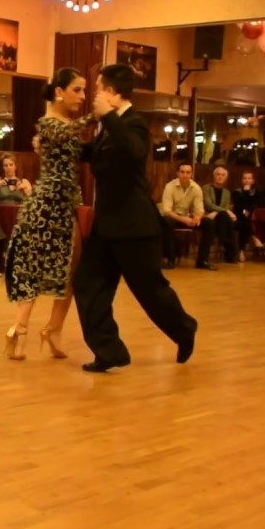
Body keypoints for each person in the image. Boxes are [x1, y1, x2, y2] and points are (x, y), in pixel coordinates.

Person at [72, 63, 197, 372]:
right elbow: (97, 154)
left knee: (150, 291)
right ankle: (110, 350)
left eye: (100, 88)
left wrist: (110, 118)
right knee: (88, 284)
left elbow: (132, 151)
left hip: (134, 227)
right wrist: (58, 146)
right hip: (107, 227)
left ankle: (184, 328)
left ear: (113, 93)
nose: (95, 94)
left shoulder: (135, 123)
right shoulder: (112, 125)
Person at [2, 67, 89, 360]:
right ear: (59, 92)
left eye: (84, 90)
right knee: (33, 269)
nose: (83, 96)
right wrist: (100, 115)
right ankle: (19, 330)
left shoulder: (65, 124)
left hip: (66, 206)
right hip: (45, 207)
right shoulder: (49, 123)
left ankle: (53, 329)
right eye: (77, 89)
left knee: (72, 273)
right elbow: (64, 133)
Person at [160, 163, 214, 270]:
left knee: (210, 223)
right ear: (178, 173)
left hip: (188, 217)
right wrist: (183, 219)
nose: (185, 175)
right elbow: (166, 210)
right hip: (174, 217)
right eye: (182, 172)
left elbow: (199, 209)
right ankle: (171, 260)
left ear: (191, 174)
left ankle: (202, 260)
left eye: (188, 172)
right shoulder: (169, 186)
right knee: (165, 222)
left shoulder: (196, 188)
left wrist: (197, 218)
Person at [202, 165, 239, 264]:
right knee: (225, 216)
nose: (220, 177)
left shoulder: (227, 192)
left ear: (226, 178)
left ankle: (225, 240)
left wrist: (219, 212)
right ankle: (231, 249)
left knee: (224, 216)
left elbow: (226, 208)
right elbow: (208, 204)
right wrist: (226, 212)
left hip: (220, 218)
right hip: (208, 216)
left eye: (223, 175)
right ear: (214, 176)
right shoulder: (206, 188)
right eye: (218, 174)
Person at [231, 170, 262, 262]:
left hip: (251, 218)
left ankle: (241, 250)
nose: (247, 180)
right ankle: (253, 237)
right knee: (244, 220)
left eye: (249, 178)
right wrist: (246, 192)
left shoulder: (257, 191)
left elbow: (258, 203)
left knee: (244, 221)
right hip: (236, 218)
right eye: (245, 178)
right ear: (241, 180)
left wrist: (248, 209)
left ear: (253, 180)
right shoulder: (236, 192)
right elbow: (238, 205)